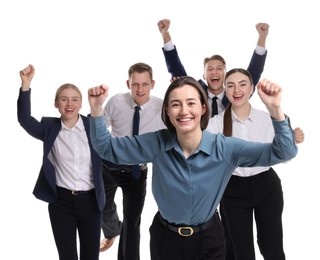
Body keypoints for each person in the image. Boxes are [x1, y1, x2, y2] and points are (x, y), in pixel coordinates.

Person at [87, 75, 298, 260]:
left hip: (209, 239)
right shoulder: (157, 143)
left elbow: (284, 152)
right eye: (176, 104)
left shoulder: (225, 148)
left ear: (203, 107)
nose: (184, 111)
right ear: (167, 111)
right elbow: (106, 148)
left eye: (191, 103)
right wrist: (96, 109)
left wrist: (275, 110)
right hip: (165, 238)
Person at [206, 68, 303, 260]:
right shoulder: (215, 124)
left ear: (252, 88)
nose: (237, 90)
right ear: (225, 90)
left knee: (271, 246)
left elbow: (287, 154)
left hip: (266, 186)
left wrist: (291, 135)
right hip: (232, 189)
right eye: (231, 85)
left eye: (243, 84)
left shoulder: (269, 118)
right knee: (240, 250)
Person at [17, 64, 105, 260]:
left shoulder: (94, 126)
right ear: (56, 104)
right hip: (61, 202)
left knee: (90, 256)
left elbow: (111, 152)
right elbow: (24, 120)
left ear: (81, 103)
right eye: (64, 99)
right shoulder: (50, 128)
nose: (69, 104)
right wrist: (26, 85)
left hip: (91, 202)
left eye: (74, 99)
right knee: (67, 257)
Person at [99, 62, 166, 260]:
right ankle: (112, 230)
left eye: (145, 84)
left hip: (136, 173)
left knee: (132, 220)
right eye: (135, 84)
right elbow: (99, 130)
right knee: (101, 204)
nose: (140, 89)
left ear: (152, 84)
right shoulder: (116, 102)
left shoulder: (162, 107)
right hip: (108, 166)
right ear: (128, 83)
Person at [157, 18, 269, 116]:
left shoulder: (236, 94)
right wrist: (165, 34)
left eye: (219, 68)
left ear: (226, 76)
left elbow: (254, 72)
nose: (214, 72)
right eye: (210, 69)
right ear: (204, 76)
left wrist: (262, 38)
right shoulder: (196, 92)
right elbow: (176, 68)